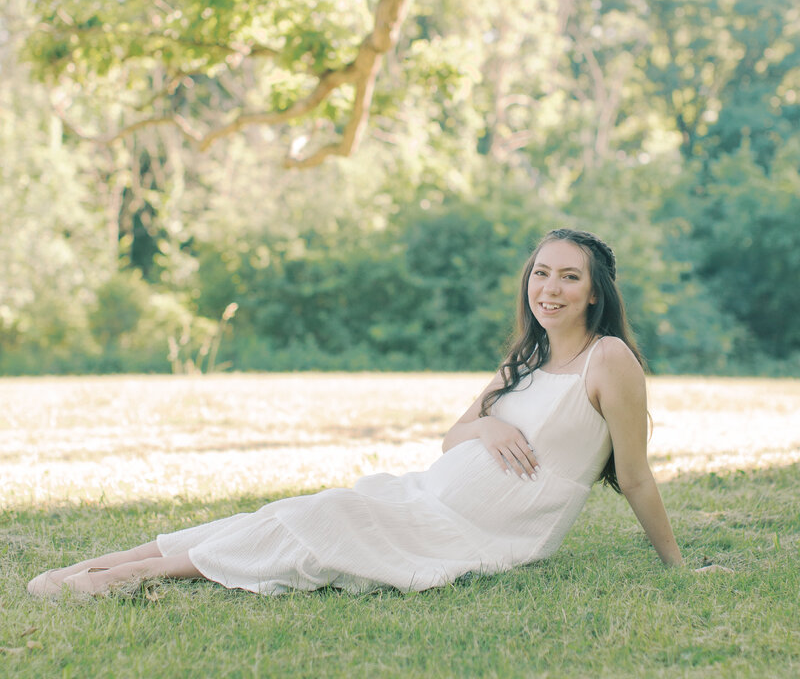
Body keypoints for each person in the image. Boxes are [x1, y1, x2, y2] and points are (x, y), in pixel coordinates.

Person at [29, 227, 685, 599]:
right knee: (285, 512)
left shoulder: (609, 362)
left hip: (476, 532)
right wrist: (486, 424)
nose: (550, 288)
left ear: (597, 292)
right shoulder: (527, 359)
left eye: (569, 277)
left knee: (316, 518)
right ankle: (105, 564)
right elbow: (453, 436)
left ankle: (133, 576)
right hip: (424, 497)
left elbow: (634, 476)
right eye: (541, 273)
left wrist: (678, 569)